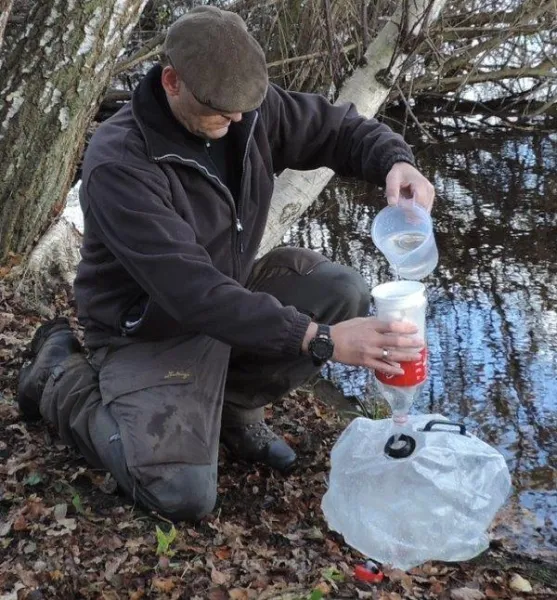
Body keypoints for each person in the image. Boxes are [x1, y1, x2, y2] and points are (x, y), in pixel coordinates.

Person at [17, 6, 434, 521]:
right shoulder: (119, 161)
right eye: (221, 109)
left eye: (244, 108)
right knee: (180, 495)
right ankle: (58, 374)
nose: (237, 121)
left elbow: (337, 130)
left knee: (340, 291)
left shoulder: (245, 111)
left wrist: (395, 160)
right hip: (147, 332)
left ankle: (232, 407)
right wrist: (321, 339)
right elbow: (191, 290)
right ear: (172, 81)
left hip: (226, 303)